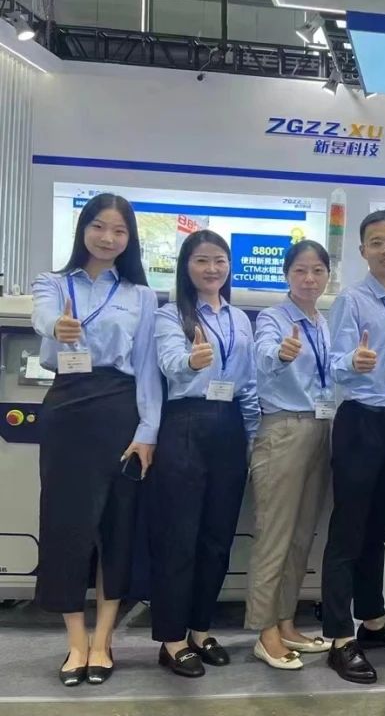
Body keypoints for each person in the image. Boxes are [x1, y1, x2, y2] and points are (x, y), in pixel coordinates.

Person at [30, 194, 161, 687]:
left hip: (121, 410)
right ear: (83, 229)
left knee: (117, 526)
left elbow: (147, 368)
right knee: (67, 524)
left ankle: (104, 640)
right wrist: (57, 325)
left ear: (130, 239)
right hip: (66, 408)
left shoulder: (141, 296)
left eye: (119, 230)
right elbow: (43, 315)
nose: (108, 238)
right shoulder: (53, 282)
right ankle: (75, 642)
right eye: (99, 227)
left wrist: (148, 431)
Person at [150, 230, 259, 678]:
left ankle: (200, 629)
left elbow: (249, 383)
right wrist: (191, 361)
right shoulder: (169, 314)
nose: (212, 269)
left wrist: (251, 437)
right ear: (186, 266)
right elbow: (169, 362)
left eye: (219, 260)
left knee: (217, 538)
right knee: (180, 536)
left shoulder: (241, 319)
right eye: (201, 260)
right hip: (185, 424)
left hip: (230, 425)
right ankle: (172, 639)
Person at [321, 211, 385, 684]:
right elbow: (333, 362)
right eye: (376, 242)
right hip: (362, 423)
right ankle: (340, 637)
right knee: (348, 532)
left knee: (377, 531)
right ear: (363, 251)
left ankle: (374, 620)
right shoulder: (352, 299)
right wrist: (354, 362)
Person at [245, 240, 335, 671]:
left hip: (320, 427)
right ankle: (264, 632)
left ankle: (285, 622)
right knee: (275, 535)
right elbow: (264, 355)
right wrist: (280, 354)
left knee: (301, 536)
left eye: (317, 271)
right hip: (283, 429)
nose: (309, 279)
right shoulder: (274, 318)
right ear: (286, 275)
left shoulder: (322, 322)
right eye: (300, 270)